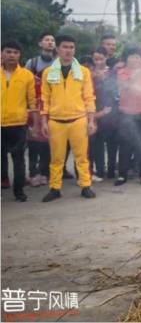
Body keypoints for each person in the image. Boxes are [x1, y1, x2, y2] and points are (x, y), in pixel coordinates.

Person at [40, 36, 96, 202]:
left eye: (71, 47)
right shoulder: (48, 73)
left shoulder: (83, 72)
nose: (68, 50)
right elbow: (44, 99)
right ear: (57, 49)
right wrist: (44, 121)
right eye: (65, 47)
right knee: (56, 158)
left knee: (82, 157)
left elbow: (89, 97)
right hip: (56, 121)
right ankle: (55, 188)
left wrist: (91, 121)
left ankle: (86, 185)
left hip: (78, 120)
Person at [115, 46, 141, 186]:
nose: (135, 59)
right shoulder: (122, 72)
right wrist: (139, 72)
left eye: (137, 57)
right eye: (131, 56)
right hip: (126, 113)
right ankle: (122, 175)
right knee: (125, 144)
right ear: (126, 59)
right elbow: (126, 86)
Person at [1, 41, 38, 201]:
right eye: (8, 52)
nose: (11, 55)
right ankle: (3, 184)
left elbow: (32, 102)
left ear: (19, 55)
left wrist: (35, 124)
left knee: (18, 159)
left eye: (15, 52)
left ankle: (19, 191)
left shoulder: (26, 75)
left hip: (18, 123)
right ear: (2, 53)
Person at [24, 33, 56, 186]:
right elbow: (25, 84)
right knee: (33, 143)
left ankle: (45, 173)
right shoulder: (33, 62)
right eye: (47, 40)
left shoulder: (58, 63)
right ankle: (33, 173)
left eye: (52, 41)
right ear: (40, 43)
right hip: (34, 106)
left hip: (51, 107)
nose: (50, 43)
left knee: (47, 144)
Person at [89, 47, 119, 180]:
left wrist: (104, 79)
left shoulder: (113, 73)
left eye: (101, 59)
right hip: (95, 111)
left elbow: (116, 91)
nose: (98, 62)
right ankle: (100, 170)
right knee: (97, 144)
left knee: (112, 143)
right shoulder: (88, 74)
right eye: (95, 59)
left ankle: (111, 169)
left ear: (106, 58)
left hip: (111, 111)